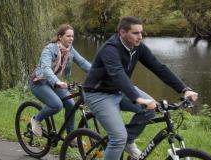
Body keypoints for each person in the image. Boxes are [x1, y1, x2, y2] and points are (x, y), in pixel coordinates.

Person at [82, 16, 198, 159]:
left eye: (141, 33)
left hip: (119, 90)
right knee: (118, 138)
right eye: (135, 33)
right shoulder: (110, 49)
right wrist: (137, 98)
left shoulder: (138, 48)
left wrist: (184, 89)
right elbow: (117, 74)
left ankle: (128, 141)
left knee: (152, 109)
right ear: (122, 32)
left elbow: (159, 68)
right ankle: (121, 141)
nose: (140, 37)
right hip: (99, 94)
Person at [29, 24, 91, 137]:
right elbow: (46, 68)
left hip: (53, 82)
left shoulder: (70, 50)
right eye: (68, 36)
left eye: (72, 36)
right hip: (39, 82)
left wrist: (99, 73)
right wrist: (57, 82)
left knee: (71, 104)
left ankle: (70, 137)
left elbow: (82, 63)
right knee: (56, 105)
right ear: (60, 37)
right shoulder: (49, 49)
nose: (71, 38)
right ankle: (36, 120)